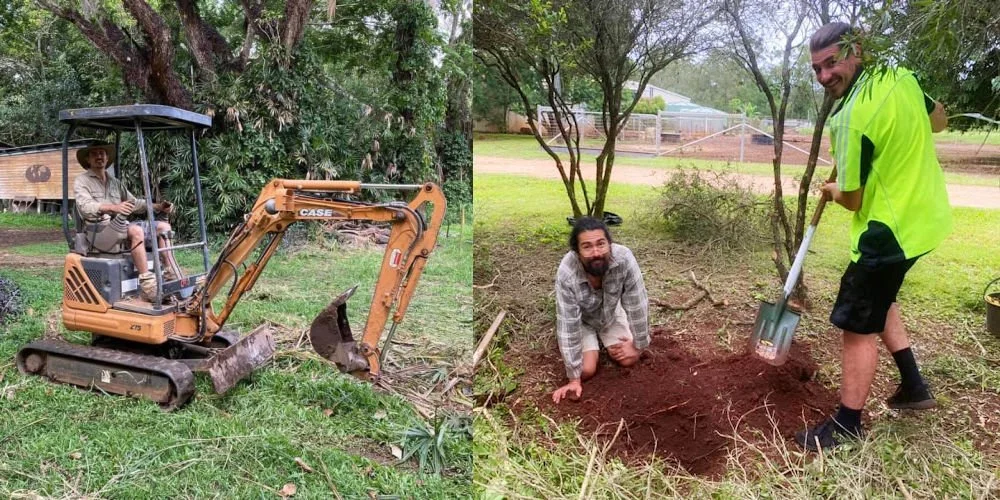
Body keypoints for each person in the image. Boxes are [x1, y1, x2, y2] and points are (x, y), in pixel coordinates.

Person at [795, 22, 952, 451]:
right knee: (883, 302)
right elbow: (939, 120)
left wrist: (830, 190)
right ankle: (914, 387)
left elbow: (852, 198)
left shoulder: (847, 118)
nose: (825, 76)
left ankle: (847, 426)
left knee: (857, 326)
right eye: (817, 69)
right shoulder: (899, 76)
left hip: (888, 234)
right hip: (927, 219)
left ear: (857, 50)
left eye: (832, 63)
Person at [552, 217, 650, 404]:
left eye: (601, 244)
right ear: (577, 251)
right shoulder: (567, 273)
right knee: (585, 371)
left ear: (609, 244)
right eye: (587, 247)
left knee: (628, 359)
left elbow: (637, 303)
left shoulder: (624, 259)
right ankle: (592, 345)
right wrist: (573, 379)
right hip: (583, 320)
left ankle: (610, 338)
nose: (596, 252)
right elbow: (568, 323)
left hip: (611, 313)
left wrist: (638, 344)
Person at [73, 142, 186, 301]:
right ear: (88, 160)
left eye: (102, 153)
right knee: (136, 231)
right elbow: (85, 207)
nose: (99, 156)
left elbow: (134, 203)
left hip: (120, 226)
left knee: (163, 227)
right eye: (94, 154)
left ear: (107, 158)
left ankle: (171, 274)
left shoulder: (115, 182)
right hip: (98, 231)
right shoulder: (82, 181)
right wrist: (113, 207)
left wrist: (158, 206)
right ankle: (148, 285)